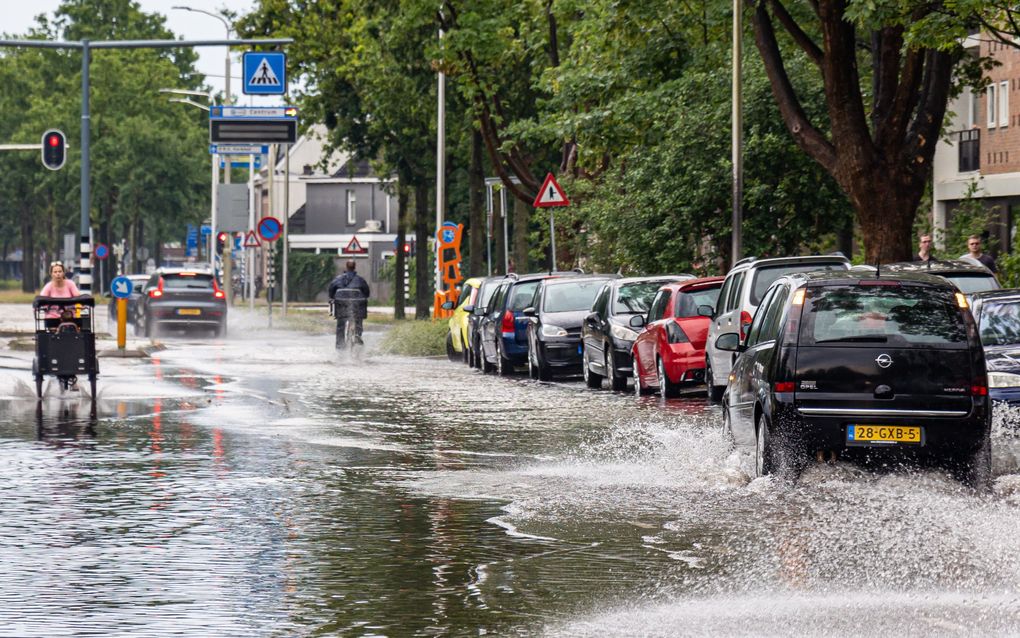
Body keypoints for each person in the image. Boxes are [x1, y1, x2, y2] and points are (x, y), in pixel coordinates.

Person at [328, 260, 371, 346]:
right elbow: (367, 293)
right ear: (354, 267)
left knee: (340, 325)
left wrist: (334, 297)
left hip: (341, 306)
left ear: (346, 267)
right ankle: (357, 334)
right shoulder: (360, 280)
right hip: (357, 307)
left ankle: (340, 346)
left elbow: (331, 292)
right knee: (358, 320)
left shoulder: (337, 279)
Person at [39, 261, 81, 328]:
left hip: (69, 315)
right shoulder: (48, 286)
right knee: (51, 322)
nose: (58, 274)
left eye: (60, 271)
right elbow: (41, 300)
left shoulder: (70, 284)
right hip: (53, 317)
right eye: (55, 272)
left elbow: (78, 297)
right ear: (51, 274)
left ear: (63, 273)